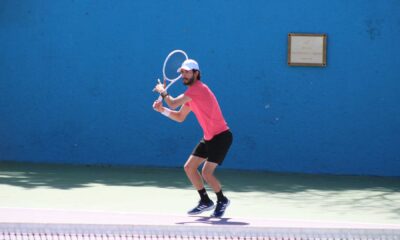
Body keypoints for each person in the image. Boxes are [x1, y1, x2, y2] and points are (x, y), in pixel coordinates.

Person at [152, 59, 233, 218]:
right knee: (189, 167)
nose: (184, 75)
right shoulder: (191, 96)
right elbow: (180, 116)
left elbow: (173, 103)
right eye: (182, 72)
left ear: (196, 73)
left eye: (187, 72)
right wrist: (162, 110)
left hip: (222, 136)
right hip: (209, 137)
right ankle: (205, 201)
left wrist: (162, 91)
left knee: (206, 173)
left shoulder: (199, 89)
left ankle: (222, 200)